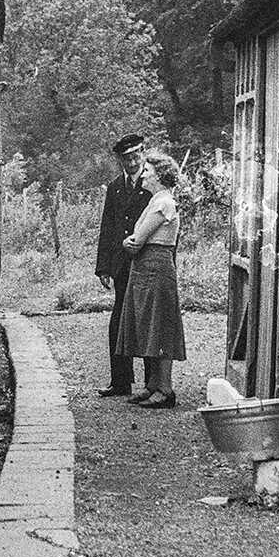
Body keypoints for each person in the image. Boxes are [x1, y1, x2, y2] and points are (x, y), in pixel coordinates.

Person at [116, 150, 187, 408]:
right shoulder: (155, 200)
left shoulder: (163, 203)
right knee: (149, 326)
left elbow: (137, 241)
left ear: (159, 175)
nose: (142, 173)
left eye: (147, 170)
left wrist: (127, 242)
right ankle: (153, 385)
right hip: (145, 268)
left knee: (161, 326)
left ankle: (165, 389)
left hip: (156, 267)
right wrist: (130, 242)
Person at [93, 134, 150, 397]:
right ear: (120, 160)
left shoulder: (153, 185)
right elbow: (108, 228)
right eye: (127, 158)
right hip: (121, 266)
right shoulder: (115, 187)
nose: (132, 162)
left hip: (146, 263)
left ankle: (153, 384)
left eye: (136, 156)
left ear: (143, 154)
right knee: (119, 322)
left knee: (149, 321)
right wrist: (104, 267)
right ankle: (121, 381)